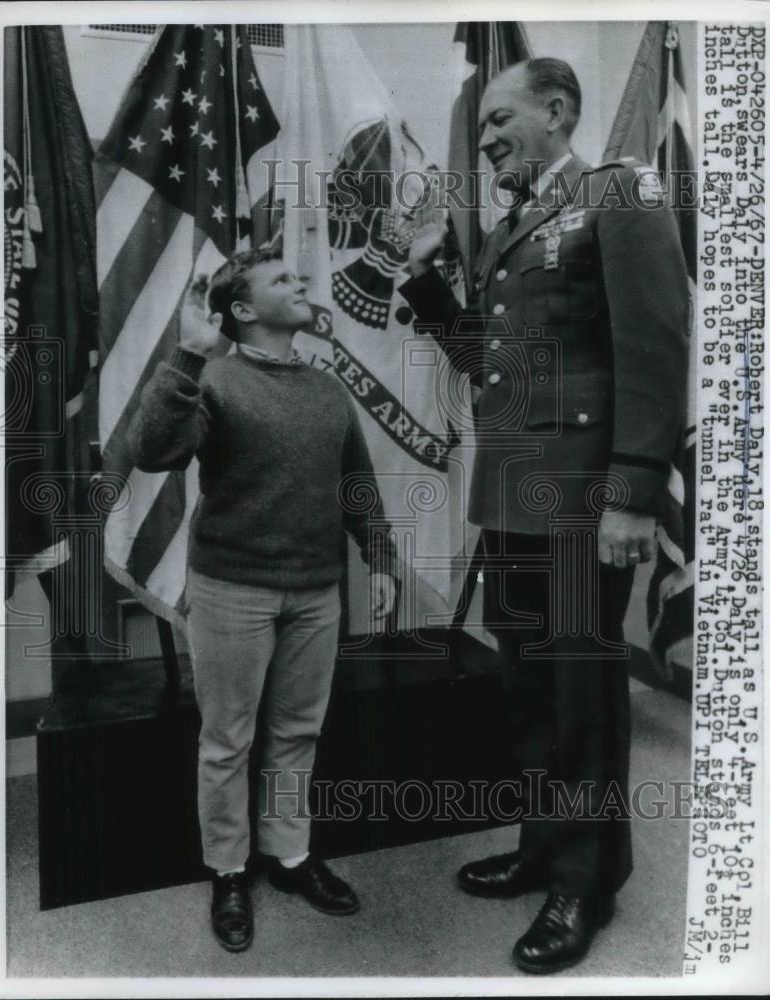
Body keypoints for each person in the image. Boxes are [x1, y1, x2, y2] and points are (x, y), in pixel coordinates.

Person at [400, 58, 688, 973]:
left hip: (580, 506)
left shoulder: (619, 193)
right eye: (481, 127)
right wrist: (425, 282)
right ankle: (541, 845)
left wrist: (633, 491)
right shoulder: (507, 229)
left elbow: (655, 340)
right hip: (512, 501)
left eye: (499, 119)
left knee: (580, 700)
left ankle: (584, 881)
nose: (483, 140)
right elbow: (490, 363)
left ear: (558, 110)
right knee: (526, 688)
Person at [128, 249, 397, 953]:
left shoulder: (325, 387)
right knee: (228, 741)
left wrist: (381, 556)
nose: (301, 283)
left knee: (296, 734)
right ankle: (227, 870)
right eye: (283, 280)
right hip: (231, 590)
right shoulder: (210, 377)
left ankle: (288, 855)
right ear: (242, 311)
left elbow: (355, 481)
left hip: (316, 590)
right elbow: (153, 452)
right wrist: (186, 354)